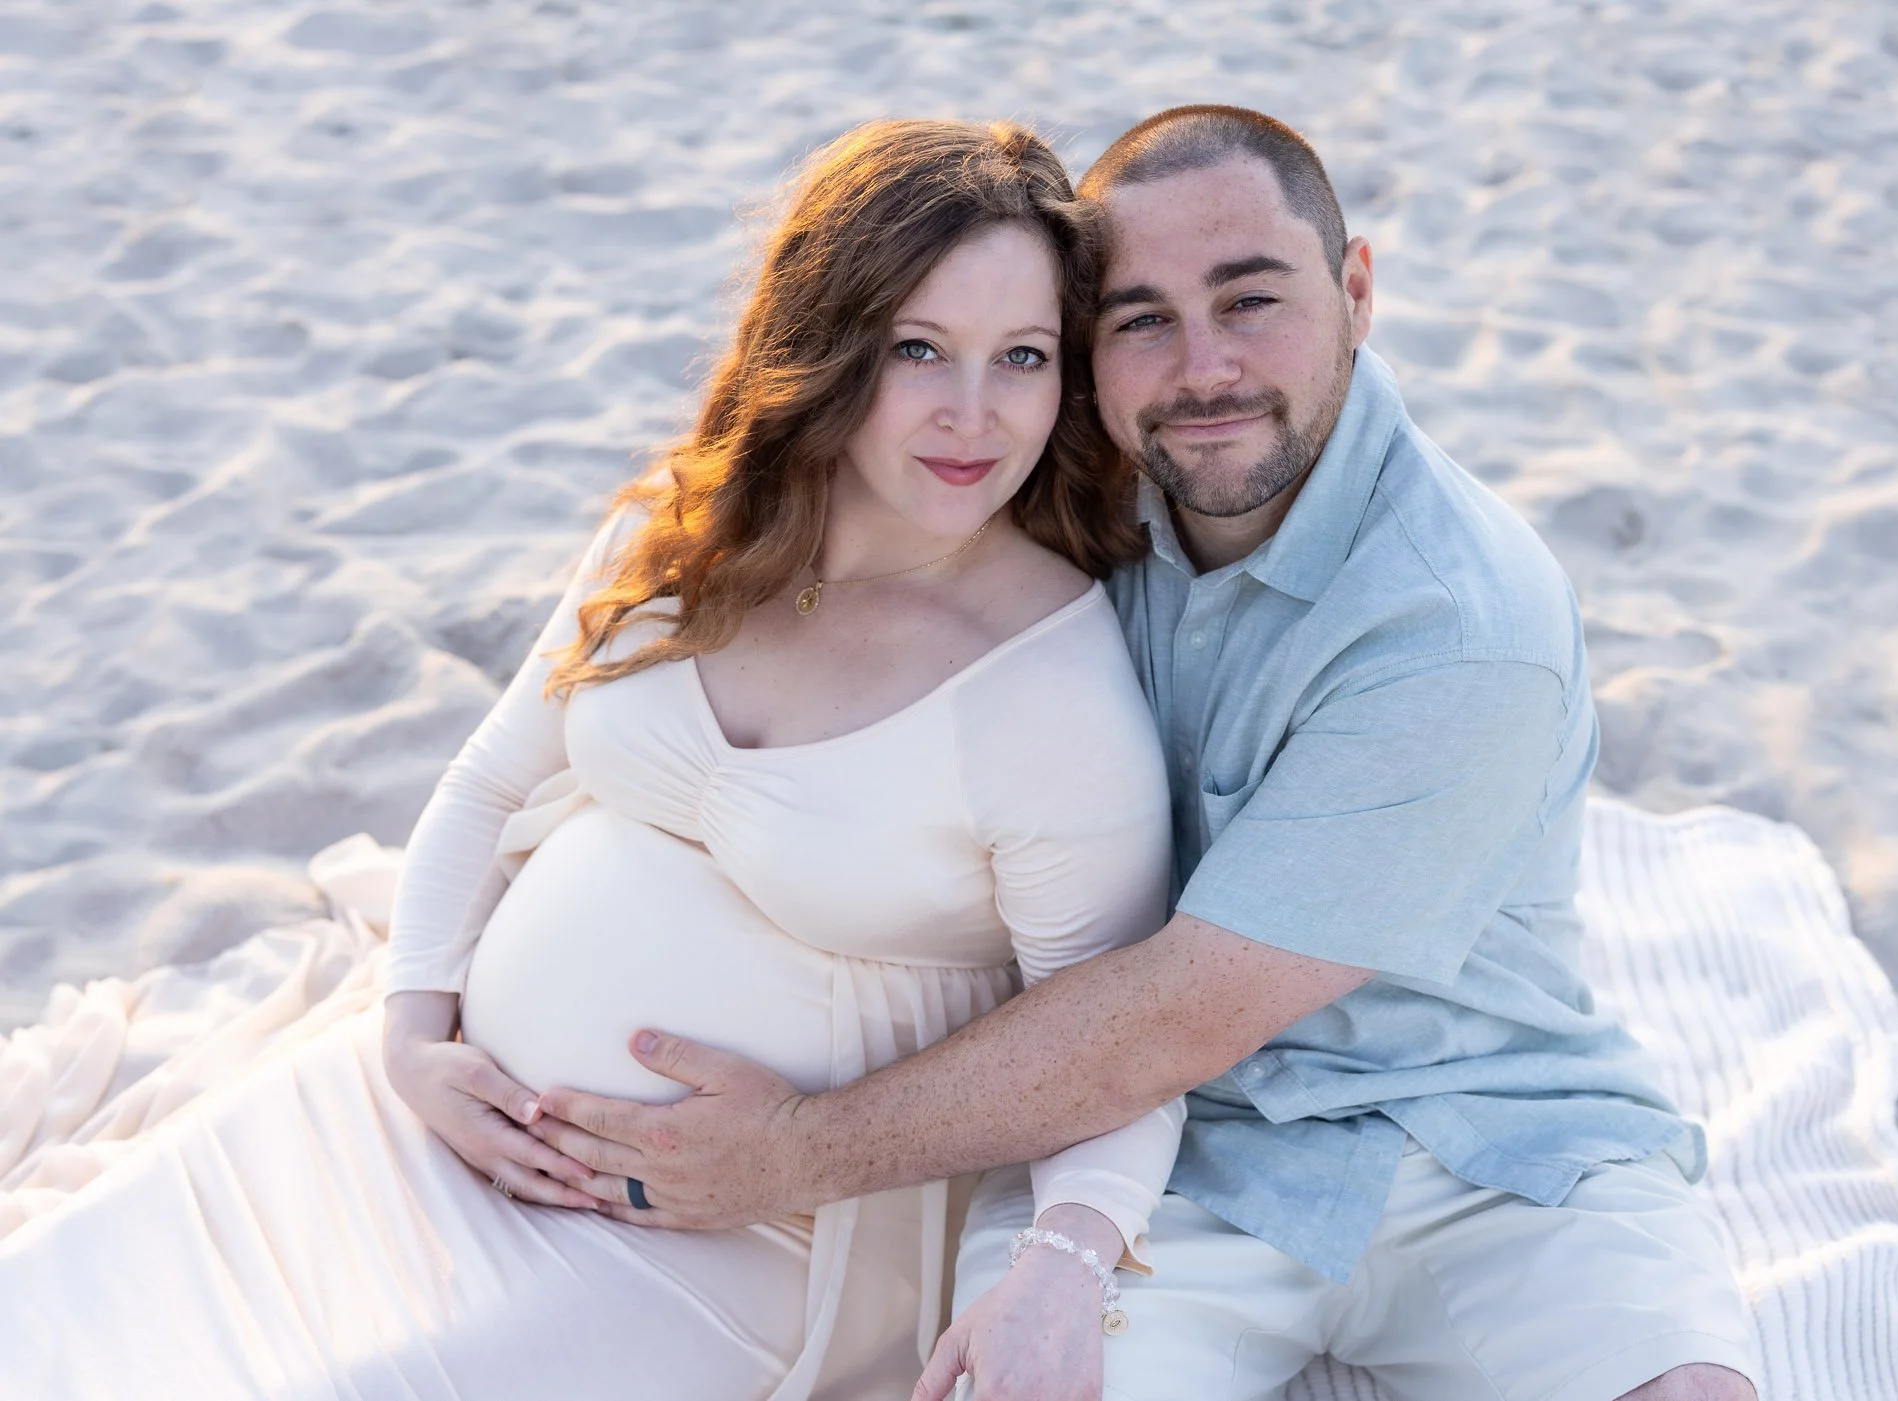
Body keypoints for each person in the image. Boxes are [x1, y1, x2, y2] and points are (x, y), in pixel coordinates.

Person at [524, 107, 1764, 1401]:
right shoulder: (1064, 490)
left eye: (1250, 300)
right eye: (1140, 319)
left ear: (1356, 291)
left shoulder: (1462, 625)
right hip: (1168, 1166)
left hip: (1485, 1142)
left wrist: (791, 1152)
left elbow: (1174, 1011)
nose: (1203, 367)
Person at [0, 120, 1185, 1401]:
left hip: (725, 1241)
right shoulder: (681, 540)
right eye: (919, 349)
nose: (974, 413)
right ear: (829, 347)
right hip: (424, 1120)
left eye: (1022, 357)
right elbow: (487, 782)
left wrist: (1065, 1264)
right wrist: (412, 1043)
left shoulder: (1049, 692)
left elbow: (1115, 1053)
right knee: (56, 1312)